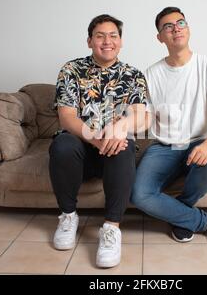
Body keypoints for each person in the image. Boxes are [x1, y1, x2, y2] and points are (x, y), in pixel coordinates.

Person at [131, 7, 207, 244]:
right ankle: (205, 220)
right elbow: (144, 117)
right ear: (160, 37)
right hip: (164, 146)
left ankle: (181, 215)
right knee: (140, 195)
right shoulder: (151, 74)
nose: (176, 28)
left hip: (198, 142)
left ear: (188, 29)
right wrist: (121, 125)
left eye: (181, 23)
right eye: (168, 26)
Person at [49, 14, 149, 268]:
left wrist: (120, 127)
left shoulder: (133, 74)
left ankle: (111, 229)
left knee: (123, 146)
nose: (107, 41)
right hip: (80, 148)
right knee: (63, 144)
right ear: (89, 41)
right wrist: (97, 139)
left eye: (113, 35)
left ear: (121, 41)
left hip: (114, 152)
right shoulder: (71, 70)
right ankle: (68, 217)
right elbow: (67, 117)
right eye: (100, 36)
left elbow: (142, 116)